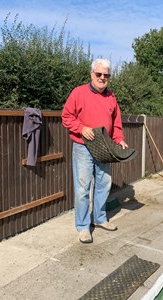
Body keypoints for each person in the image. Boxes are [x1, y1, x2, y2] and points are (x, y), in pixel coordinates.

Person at [61, 58, 128, 243]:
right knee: (83, 188)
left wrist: (119, 140)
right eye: (98, 74)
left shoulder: (111, 97)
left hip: (104, 148)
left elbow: (116, 122)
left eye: (106, 75)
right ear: (92, 74)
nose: (102, 78)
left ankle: (99, 219)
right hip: (83, 146)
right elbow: (66, 116)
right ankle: (83, 227)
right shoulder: (78, 93)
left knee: (104, 184)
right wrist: (81, 128)